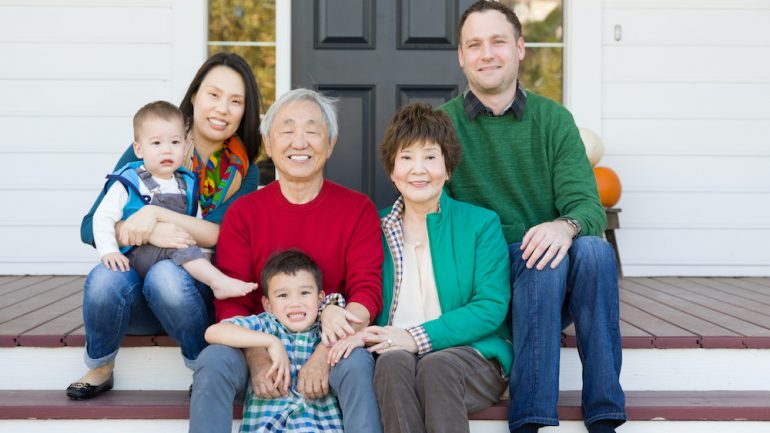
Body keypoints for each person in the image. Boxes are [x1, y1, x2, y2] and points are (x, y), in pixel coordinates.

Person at [439, 2, 627, 433]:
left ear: (520, 48)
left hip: (551, 280)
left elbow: (587, 207)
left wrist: (563, 226)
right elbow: (439, 219)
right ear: (462, 57)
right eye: (475, 44)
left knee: (595, 252)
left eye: (498, 42)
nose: (487, 53)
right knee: (542, 260)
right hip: (485, 280)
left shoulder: (554, 121)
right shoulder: (442, 126)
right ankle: (531, 417)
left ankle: (604, 413)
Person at [67, 52, 262, 400]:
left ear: (245, 112)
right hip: (134, 297)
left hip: (190, 296)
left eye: (235, 101)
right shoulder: (151, 144)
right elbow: (89, 227)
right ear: (195, 96)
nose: (222, 108)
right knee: (103, 279)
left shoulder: (244, 171)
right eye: (213, 95)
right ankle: (100, 366)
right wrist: (140, 230)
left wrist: (157, 216)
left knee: (165, 277)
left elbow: (220, 233)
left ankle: (205, 367)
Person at [190, 88, 384, 433]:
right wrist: (257, 355)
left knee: (356, 364)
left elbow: (366, 293)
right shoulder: (244, 213)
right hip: (261, 340)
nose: (300, 142)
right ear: (268, 141)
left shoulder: (357, 210)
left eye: (312, 131)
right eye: (287, 130)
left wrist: (324, 354)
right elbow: (233, 303)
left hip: (333, 342)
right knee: (214, 360)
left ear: (330, 144)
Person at [328, 103, 512, 433]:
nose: (418, 169)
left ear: (448, 168)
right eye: (407, 157)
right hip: (392, 351)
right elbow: (352, 287)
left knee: (436, 366)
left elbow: (490, 307)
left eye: (430, 157)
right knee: (392, 362)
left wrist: (416, 337)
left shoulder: (481, 224)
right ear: (392, 169)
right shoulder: (373, 227)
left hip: (473, 356)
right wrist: (334, 311)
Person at [90, 100, 257, 296]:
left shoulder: (186, 183)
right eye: (156, 143)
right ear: (138, 150)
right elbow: (102, 217)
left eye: (175, 142)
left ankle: (212, 280)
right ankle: (217, 281)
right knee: (179, 247)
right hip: (135, 255)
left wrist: (204, 256)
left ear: (185, 146)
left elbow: (195, 223)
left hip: (172, 263)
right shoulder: (128, 181)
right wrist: (109, 250)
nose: (167, 149)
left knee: (182, 245)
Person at [206, 250, 343, 433]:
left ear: (320, 299)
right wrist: (270, 342)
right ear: (268, 305)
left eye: (304, 293)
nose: (295, 303)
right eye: (283, 295)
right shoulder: (265, 325)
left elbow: (350, 321)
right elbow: (213, 332)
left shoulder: (327, 328)